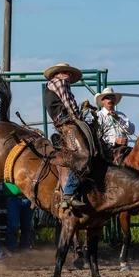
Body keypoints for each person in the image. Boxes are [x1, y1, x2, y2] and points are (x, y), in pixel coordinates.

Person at [43, 63, 90, 209]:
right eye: (68, 73)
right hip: (67, 121)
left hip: (61, 122)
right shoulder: (61, 82)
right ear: (61, 73)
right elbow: (68, 102)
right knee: (83, 155)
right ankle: (69, 192)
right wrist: (77, 117)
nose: (69, 77)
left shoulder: (50, 85)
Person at [94, 87, 135, 161]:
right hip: (107, 152)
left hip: (123, 151)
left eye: (113, 97)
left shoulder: (121, 115)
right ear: (103, 101)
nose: (111, 100)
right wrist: (114, 141)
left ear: (115, 100)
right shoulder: (98, 116)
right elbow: (97, 137)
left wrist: (118, 119)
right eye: (108, 98)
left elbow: (131, 131)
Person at [5, 182, 34, 254]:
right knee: (13, 226)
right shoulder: (6, 170)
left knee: (27, 227)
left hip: (28, 198)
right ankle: (12, 253)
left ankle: (25, 253)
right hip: (12, 198)